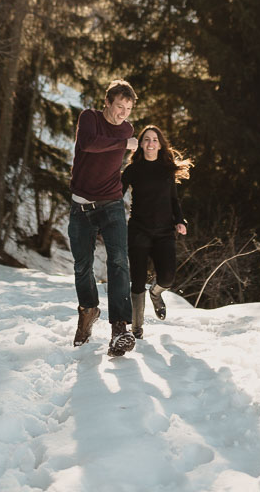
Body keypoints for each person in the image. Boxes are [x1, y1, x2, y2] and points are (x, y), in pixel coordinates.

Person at [68, 79, 139, 357]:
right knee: (82, 266)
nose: (123, 112)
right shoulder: (90, 119)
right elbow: (89, 145)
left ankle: (120, 328)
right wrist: (123, 142)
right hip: (81, 206)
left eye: (128, 108)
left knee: (119, 260)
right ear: (107, 102)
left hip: (111, 203)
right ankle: (88, 310)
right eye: (119, 105)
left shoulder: (128, 129)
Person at [121, 125, 192, 338]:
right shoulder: (132, 170)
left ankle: (156, 293)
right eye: (146, 140)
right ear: (140, 145)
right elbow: (117, 195)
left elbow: (173, 200)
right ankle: (137, 328)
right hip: (139, 230)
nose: (151, 143)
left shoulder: (167, 170)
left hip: (164, 232)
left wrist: (180, 220)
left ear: (160, 145)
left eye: (154, 140)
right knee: (137, 280)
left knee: (168, 277)